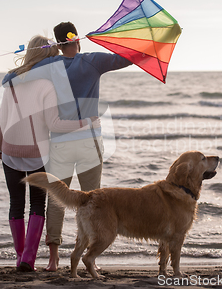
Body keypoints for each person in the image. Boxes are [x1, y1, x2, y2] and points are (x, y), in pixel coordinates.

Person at [0, 35, 99, 272]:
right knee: (37, 204)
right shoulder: (46, 85)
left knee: (15, 203)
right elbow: (54, 125)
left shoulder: (11, 82)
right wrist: (86, 122)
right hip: (36, 154)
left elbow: (1, 119)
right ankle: (28, 259)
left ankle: (20, 256)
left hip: (10, 150)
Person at [44, 22, 133, 271]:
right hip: (88, 139)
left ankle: (53, 260)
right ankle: (85, 257)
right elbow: (128, 58)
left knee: (57, 200)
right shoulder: (93, 60)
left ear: (58, 42)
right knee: (91, 201)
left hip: (59, 141)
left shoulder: (50, 66)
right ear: (77, 39)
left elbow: (19, 75)